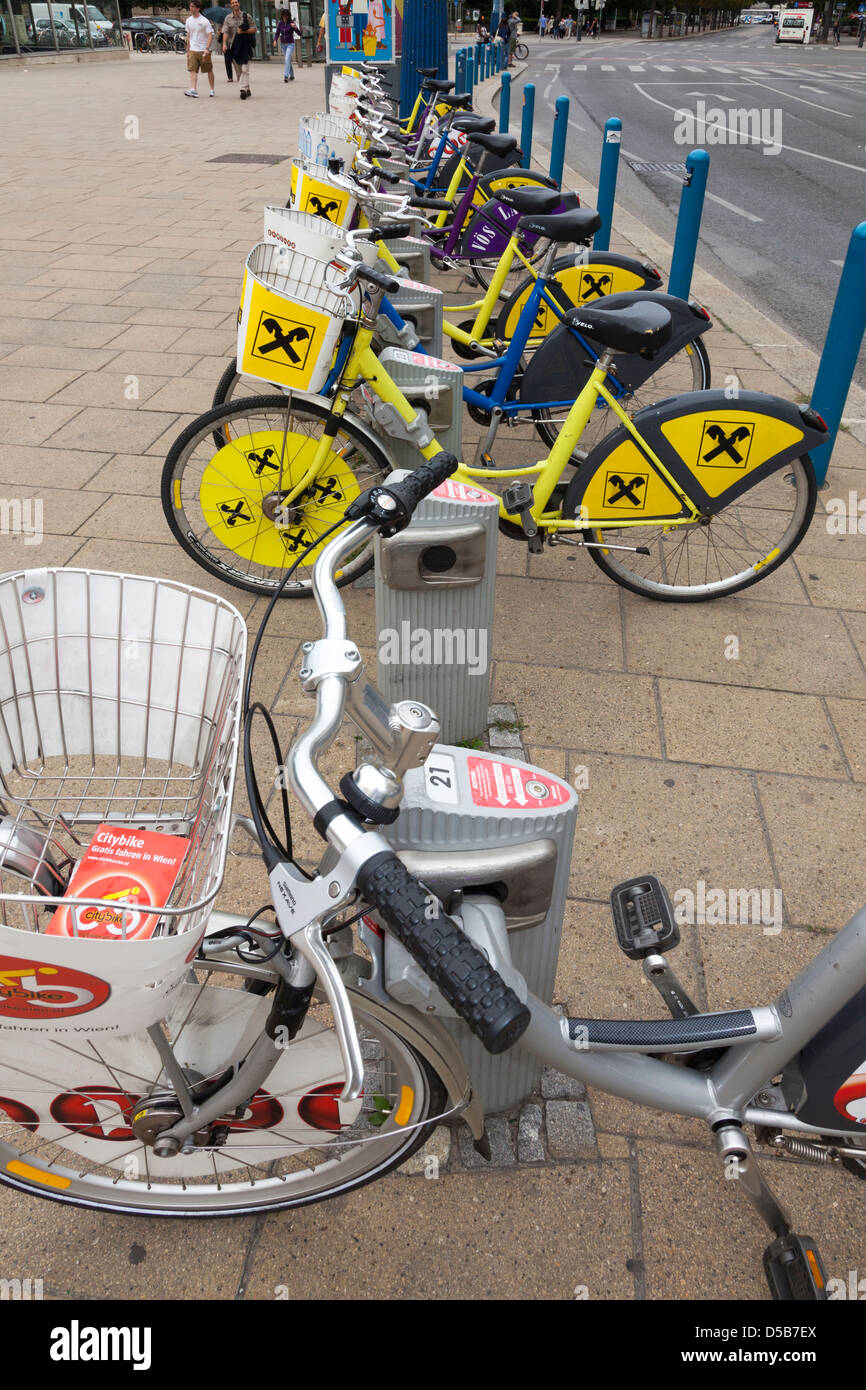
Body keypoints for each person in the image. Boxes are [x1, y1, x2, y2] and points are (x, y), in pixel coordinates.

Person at [222, 0, 257, 100]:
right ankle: (247, 88)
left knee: (245, 69)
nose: (235, 4)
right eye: (233, 3)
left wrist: (243, 31)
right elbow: (225, 32)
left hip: (245, 46)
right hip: (234, 47)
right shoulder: (228, 18)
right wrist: (224, 44)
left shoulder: (247, 16)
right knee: (239, 71)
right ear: (231, 5)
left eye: (236, 2)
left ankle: (242, 89)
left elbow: (254, 29)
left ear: (239, 3)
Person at [184, 0, 214, 98]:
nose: (191, 8)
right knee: (192, 70)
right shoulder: (188, 20)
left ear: (198, 8)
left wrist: (207, 48)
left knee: (209, 70)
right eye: (190, 6)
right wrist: (188, 50)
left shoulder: (204, 21)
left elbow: (210, 35)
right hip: (193, 50)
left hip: (203, 50)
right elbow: (188, 35)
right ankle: (193, 90)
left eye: (193, 7)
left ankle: (212, 89)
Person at [275, 8, 302, 79]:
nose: (285, 17)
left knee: (287, 59)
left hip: (290, 44)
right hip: (283, 44)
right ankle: (292, 75)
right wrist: (275, 40)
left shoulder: (291, 23)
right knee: (288, 60)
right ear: (282, 16)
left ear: (288, 16)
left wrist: (295, 27)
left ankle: (286, 76)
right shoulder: (280, 23)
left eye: (286, 16)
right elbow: (277, 33)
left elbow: (299, 34)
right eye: (284, 16)